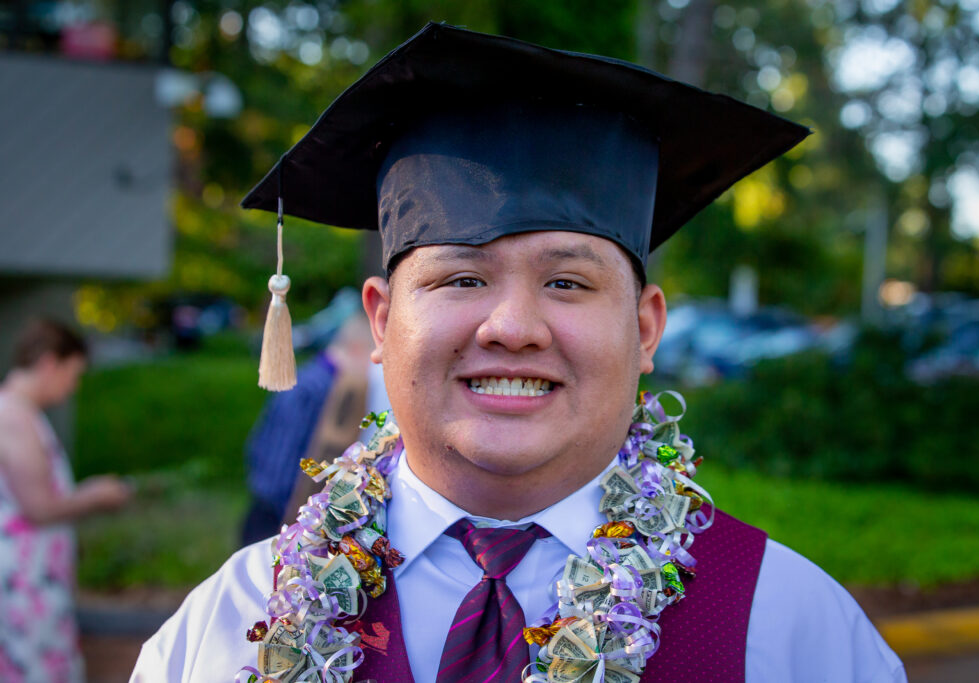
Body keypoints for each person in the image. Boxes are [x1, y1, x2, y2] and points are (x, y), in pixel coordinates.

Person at [132, 23, 905, 682]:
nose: (511, 325)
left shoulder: (794, 633)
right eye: (462, 276)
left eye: (567, 282)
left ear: (644, 329)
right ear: (380, 321)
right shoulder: (227, 629)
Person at [0, 318, 133, 683]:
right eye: (72, 374)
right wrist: (94, 496)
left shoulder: (19, 413)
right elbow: (39, 508)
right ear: (48, 363)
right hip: (25, 583)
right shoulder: (13, 416)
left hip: (33, 576)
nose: (72, 387)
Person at [242, 313, 389, 545]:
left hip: (269, 500)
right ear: (357, 348)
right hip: (275, 510)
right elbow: (284, 457)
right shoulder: (318, 388)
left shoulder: (310, 377)